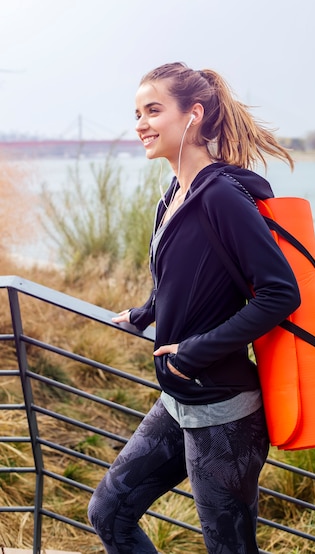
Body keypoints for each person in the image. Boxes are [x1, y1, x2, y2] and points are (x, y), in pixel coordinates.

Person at [88, 62, 301, 553]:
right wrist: (146, 312)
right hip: (179, 401)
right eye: (137, 112)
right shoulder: (174, 194)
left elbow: (280, 293)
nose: (140, 123)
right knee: (108, 514)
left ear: (193, 116)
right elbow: (184, 274)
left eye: (153, 110)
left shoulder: (222, 195)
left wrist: (192, 353)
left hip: (225, 413)